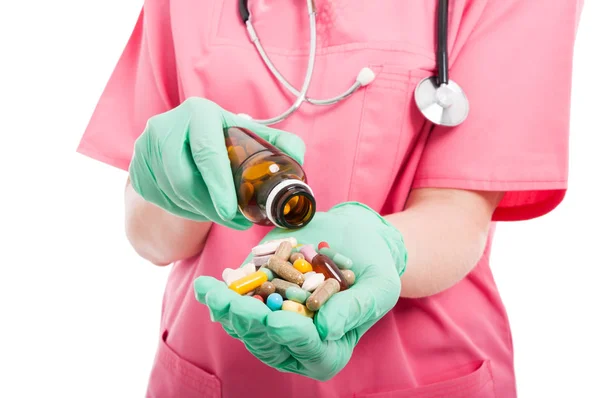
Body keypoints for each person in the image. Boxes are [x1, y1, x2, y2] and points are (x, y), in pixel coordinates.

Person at [77, 1, 583, 396]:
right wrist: (173, 184)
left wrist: (382, 243)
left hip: (423, 371)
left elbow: (460, 216)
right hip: (209, 367)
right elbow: (153, 240)